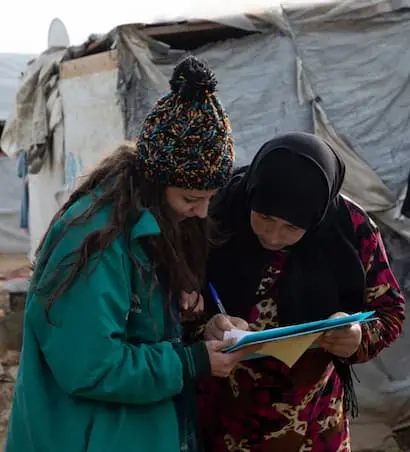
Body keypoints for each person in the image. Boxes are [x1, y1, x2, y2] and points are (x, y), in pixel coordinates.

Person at [5, 56, 255, 452]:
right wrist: (191, 362)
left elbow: (143, 328)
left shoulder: (154, 225)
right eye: (191, 198)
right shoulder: (93, 242)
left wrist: (199, 327)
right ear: (156, 181)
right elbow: (92, 366)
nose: (203, 211)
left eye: (210, 198)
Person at [198, 132, 405, 451]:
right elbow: (172, 301)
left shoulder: (352, 230)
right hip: (224, 421)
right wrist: (206, 326)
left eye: (292, 228)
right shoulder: (215, 214)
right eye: (264, 217)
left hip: (314, 425)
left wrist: (357, 337)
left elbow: (389, 313)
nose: (273, 236)